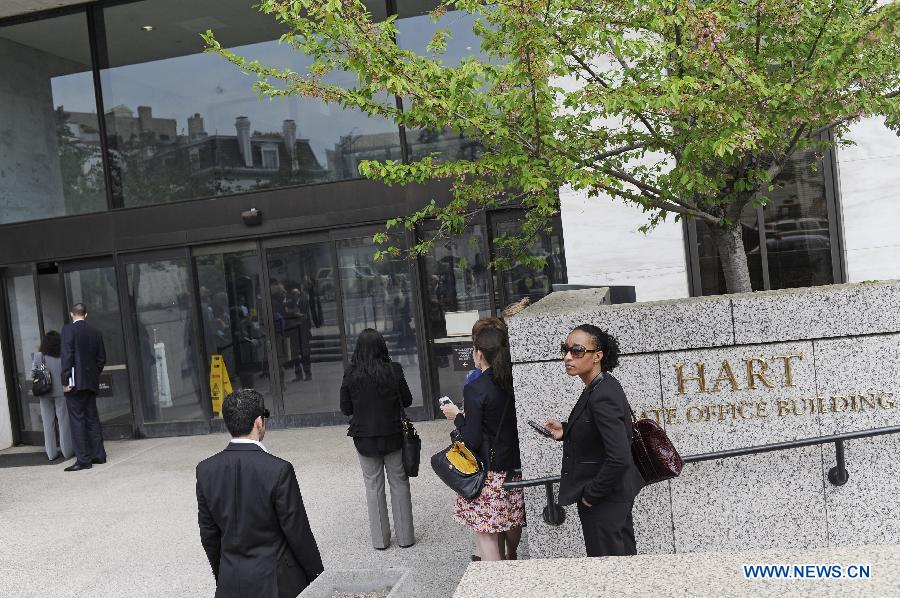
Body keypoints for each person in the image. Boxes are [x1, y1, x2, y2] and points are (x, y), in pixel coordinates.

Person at [196, 389, 323, 597]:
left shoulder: (205, 470)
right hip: (277, 581)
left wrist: (224, 575)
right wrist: (317, 574)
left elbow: (209, 535)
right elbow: (298, 532)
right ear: (258, 422)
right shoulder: (279, 470)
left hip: (231, 580)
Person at [543, 324, 643, 557]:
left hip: (605, 499)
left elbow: (619, 457)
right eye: (565, 349)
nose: (568, 357)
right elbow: (598, 432)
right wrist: (566, 430)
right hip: (611, 496)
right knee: (623, 561)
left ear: (597, 356)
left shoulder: (603, 394)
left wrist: (590, 497)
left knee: (609, 571)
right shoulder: (599, 386)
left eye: (577, 351)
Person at [441, 324, 524, 561]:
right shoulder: (511, 382)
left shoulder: (476, 388)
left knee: (486, 535)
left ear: (479, 352)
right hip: (513, 471)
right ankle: (512, 560)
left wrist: (457, 417)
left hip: (487, 475)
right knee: (509, 522)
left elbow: (472, 439)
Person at [340, 329, 415, 550]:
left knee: (373, 487)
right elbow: (408, 400)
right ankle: (406, 538)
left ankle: (380, 541)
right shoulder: (394, 370)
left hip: (364, 439)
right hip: (393, 436)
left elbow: (346, 408)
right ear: (382, 346)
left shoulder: (350, 373)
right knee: (399, 483)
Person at [60, 303, 107, 472]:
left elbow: (67, 356)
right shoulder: (96, 332)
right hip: (90, 382)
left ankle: (84, 459)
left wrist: (65, 380)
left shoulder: (68, 330)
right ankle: (99, 455)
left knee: (77, 420)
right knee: (92, 418)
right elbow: (101, 359)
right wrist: (93, 375)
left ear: (72, 314)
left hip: (75, 384)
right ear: (85, 315)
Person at [32, 331, 74, 461]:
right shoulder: (62, 355)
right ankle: (67, 452)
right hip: (61, 392)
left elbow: (34, 374)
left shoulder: (38, 356)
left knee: (47, 424)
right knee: (63, 422)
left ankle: (51, 454)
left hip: (44, 393)